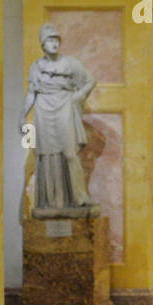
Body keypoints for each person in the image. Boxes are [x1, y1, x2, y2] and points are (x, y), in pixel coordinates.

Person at [22, 23, 98, 214]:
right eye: (50, 40)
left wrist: (79, 95)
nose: (54, 43)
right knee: (47, 157)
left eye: (57, 40)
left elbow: (90, 81)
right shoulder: (36, 67)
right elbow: (31, 93)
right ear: (43, 44)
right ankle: (53, 203)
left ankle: (81, 197)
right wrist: (22, 116)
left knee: (70, 153)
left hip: (64, 107)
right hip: (43, 111)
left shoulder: (70, 63)